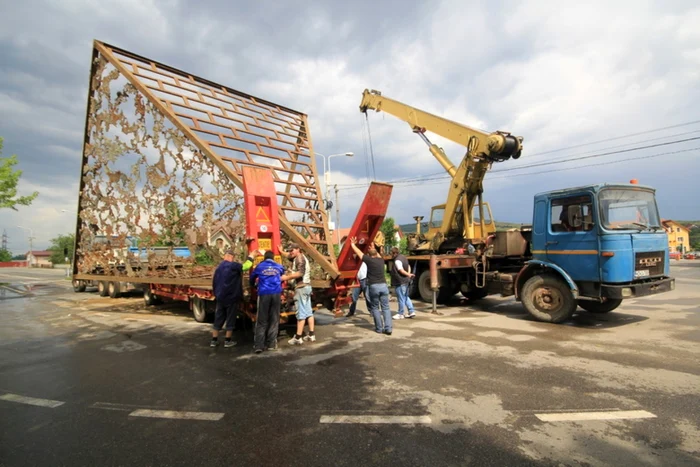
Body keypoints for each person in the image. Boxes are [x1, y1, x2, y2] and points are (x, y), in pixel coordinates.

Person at [349, 237, 392, 335]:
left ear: (370, 255)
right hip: (384, 286)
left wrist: (352, 245)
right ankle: (388, 328)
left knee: (375, 308)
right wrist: (373, 247)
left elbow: (359, 254)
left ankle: (379, 328)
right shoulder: (381, 260)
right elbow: (376, 253)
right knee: (385, 308)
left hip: (374, 287)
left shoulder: (369, 260)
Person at [210, 249, 251, 348]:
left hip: (220, 297)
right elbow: (246, 267)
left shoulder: (219, 268)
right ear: (231, 257)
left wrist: (216, 294)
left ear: (225, 256)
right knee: (230, 318)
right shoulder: (233, 266)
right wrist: (251, 257)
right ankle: (227, 341)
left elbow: (214, 282)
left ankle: (214, 340)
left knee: (218, 318)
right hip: (231, 298)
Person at [279, 243, 315, 345]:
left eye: (292, 250)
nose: (291, 252)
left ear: (298, 249)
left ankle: (298, 337)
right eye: (290, 250)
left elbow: (300, 273)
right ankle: (311, 335)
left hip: (301, 288)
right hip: (307, 287)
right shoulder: (298, 257)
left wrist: (286, 277)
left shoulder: (299, 259)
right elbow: (289, 256)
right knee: (308, 312)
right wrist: (281, 251)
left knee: (301, 313)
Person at [250, 250, 285, 353]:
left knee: (262, 320)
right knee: (274, 319)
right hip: (276, 294)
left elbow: (252, 278)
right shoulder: (279, 266)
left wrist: (254, 286)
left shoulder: (260, 266)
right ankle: (271, 344)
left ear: (264, 258)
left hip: (264, 293)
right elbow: (283, 275)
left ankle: (259, 346)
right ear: (273, 257)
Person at [389, 247, 416, 319]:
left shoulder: (397, 260)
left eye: (391, 253)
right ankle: (411, 311)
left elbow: (400, 270)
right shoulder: (403, 257)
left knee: (401, 298)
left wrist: (408, 274)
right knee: (406, 297)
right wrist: (409, 274)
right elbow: (409, 266)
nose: (390, 255)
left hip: (400, 281)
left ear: (394, 253)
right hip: (405, 281)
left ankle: (400, 313)